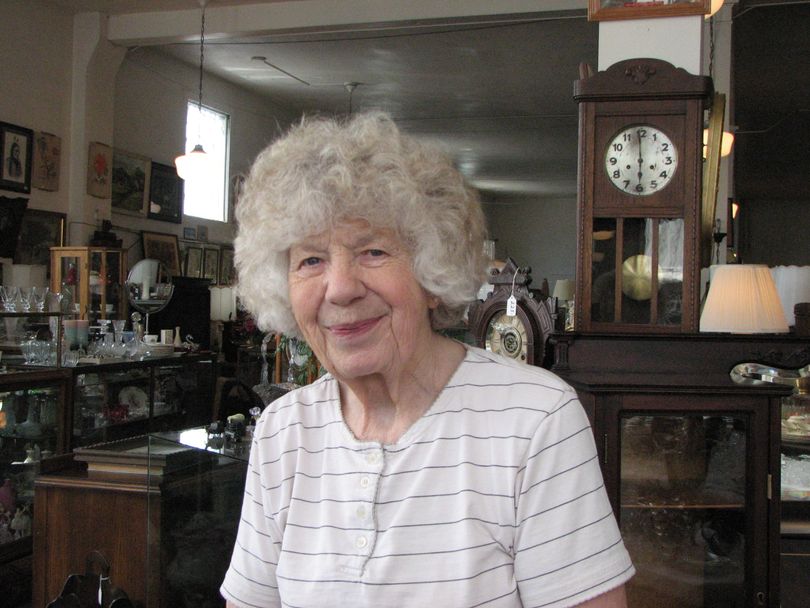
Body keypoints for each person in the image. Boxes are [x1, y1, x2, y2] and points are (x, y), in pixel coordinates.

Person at [220, 112, 634, 608]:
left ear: (432, 276)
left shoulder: (535, 419)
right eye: (310, 260)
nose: (341, 288)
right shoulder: (282, 433)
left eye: (373, 251)